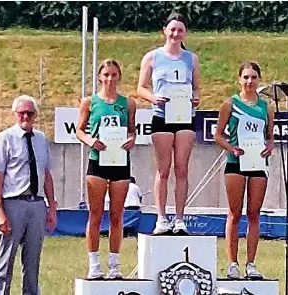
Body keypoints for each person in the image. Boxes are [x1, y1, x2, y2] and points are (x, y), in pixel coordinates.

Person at [137, 12, 201, 235]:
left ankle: (180, 218)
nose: (175, 34)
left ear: (185, 33)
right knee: (163, 170)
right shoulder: (152, 57)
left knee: (182, 168)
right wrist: (154, 98)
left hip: (184, 117)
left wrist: (195, 98)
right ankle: (161, 217)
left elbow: (196, 88)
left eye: (180, 30)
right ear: (165, 30)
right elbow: (141, 87)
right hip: (162, 116)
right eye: (172, 29)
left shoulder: (191, 59)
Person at [0, 95, 57, 295]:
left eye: (30, 113)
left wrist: (51, 208)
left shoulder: (41, 139)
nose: (26, 116)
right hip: (13, 203)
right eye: (22, 113)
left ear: (35, 115)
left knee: (32, 261)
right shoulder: (5, 138)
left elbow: (46, 175)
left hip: (36, 205)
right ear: (15, 114)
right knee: (5, 261)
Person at [76, 58, 136, 279]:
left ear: (119, 76)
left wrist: (132, 139)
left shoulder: (128, 103)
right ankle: (94, 264)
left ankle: (114, 264)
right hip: (97, 160)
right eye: (106, 75)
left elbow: (131, 130)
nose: (110, 79)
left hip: (120, 160)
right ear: (100, 77)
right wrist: (91, 141)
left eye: (114, 74)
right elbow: (79, 130)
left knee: (117, 214)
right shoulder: (89, 102)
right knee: (95, 213)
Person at [214, 61, 274, 280]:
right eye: (246, 77)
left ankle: (251, 263)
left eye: (254, 77)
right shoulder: (230, 103)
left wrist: (269, 146)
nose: (250, 81)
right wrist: (232, 148)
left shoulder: (266, 107)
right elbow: (218, 135)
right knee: (234, 212)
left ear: (259, 80)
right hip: (236, 162)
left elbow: (269, 137)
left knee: (254, 213)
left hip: (257, 163)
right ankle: (232, 263)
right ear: (239, 79)